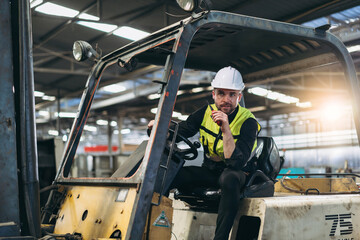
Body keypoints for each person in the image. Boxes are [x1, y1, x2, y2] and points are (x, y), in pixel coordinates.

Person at [148, 66, 261, 240]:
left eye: (232, 95)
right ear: (213, 94)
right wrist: (161, 128)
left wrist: (226, 130)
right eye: (221, 93)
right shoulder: (205, 113)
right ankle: (149, 227)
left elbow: (236, 163)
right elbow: (182, 131)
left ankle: (220, 238)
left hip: (239, 174)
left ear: (239, 96)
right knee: (172, 173)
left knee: (229, 178)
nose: (226, 99)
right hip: (211, 170)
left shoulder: (248, 121)